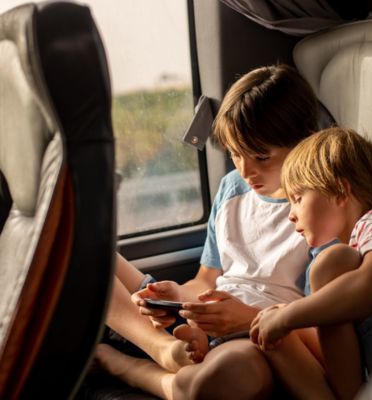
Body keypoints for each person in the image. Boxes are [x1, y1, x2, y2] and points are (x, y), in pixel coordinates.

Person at [95, 63, 319, 399]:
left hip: (258, 336)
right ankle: (160, 347)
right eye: (235, 154)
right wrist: (176, 297)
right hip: (207, 317)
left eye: (261, 157)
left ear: (303, 144)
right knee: (84, 252)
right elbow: (206, 280)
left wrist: (245, 318)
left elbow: (318, 322)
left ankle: (128, 366)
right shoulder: (233, 188)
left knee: (223, 379)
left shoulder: (318, 209)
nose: (245, 170)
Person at [249, 127, 372, 400]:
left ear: (341, 191)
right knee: (272, 335)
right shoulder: (357, 246)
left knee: (330, 265)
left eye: (297, 199)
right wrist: (281, 317)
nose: (291, 215)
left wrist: (288, 316)